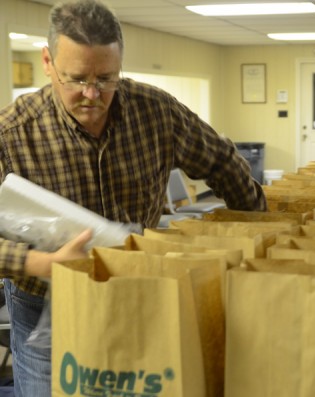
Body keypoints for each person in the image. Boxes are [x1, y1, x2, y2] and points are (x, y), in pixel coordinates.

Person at [0, 0, 266, 395]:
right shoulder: (12, 134)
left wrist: (261, 238)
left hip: (137, 288)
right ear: (47, 62)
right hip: (44, 301)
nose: (92, 94)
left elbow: (223, 161)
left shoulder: (156, 112)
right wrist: (46, 263)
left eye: (106, 79)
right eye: (76, 79)